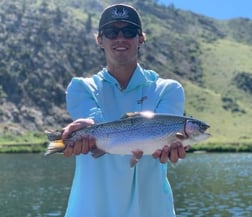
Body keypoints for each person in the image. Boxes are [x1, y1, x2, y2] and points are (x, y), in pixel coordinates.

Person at [62, 3, 188, 217]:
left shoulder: (168, 90)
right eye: (111, 32)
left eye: (129, 31)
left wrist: (173, 146)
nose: (120, 38)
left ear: (141, 39)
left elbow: (168, 140)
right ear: (100, 40)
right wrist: (78, 134)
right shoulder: (81, 88)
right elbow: (96, 125)